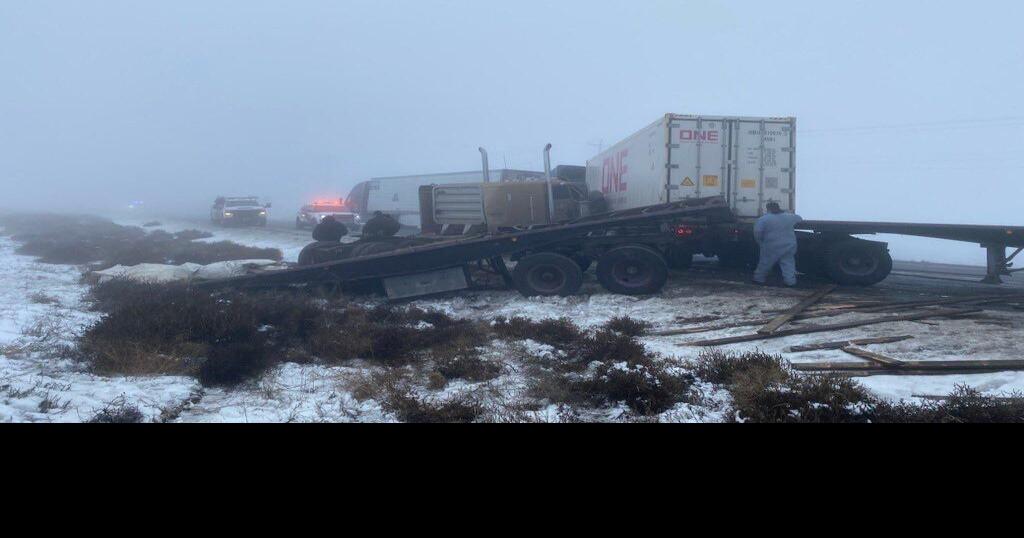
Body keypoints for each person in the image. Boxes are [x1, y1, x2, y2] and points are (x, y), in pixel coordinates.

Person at [753, 201, 803, 287]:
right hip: (789, 244)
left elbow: (758, 232)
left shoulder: (764, 219)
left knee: (765, 263)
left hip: (771, 245)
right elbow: (800, 218)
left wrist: (760, 241)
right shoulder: (790, 217)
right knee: (788, 264)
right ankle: (790, 282)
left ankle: (759, 279)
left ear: (768, 209)